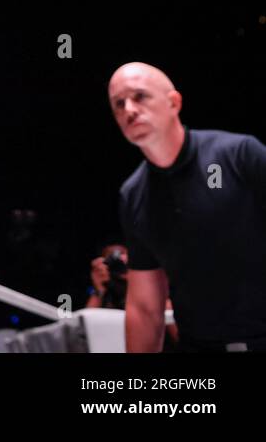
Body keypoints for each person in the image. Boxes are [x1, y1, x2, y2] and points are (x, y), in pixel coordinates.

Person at [109, 61, 266, 352]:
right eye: (118, 104)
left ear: (174, 102)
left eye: (139, 96)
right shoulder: (133, 195)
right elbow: (145, 308)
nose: (128, 109)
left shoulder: (240, 155)